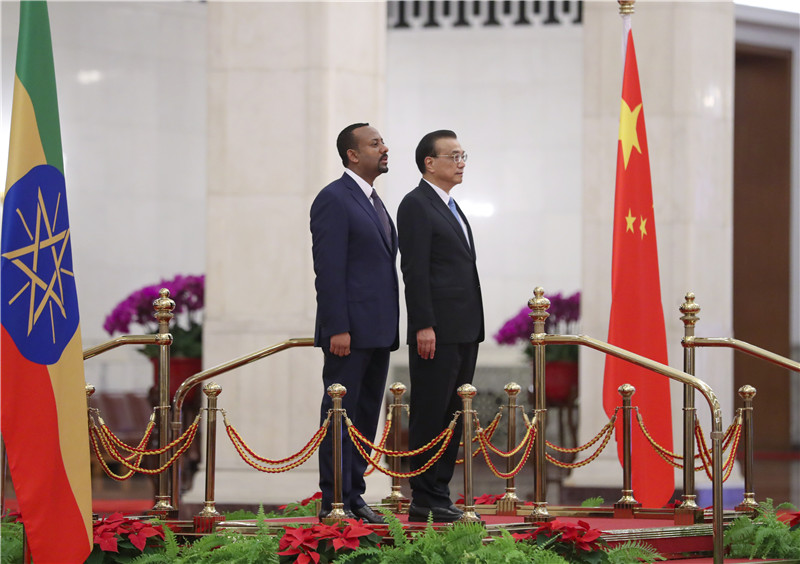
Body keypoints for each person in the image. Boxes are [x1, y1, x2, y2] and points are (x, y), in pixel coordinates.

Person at [310, 123, 399, 524]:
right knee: (340, 417)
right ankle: (335, 501)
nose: (384, 148)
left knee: (364, 418)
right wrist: (337, 327)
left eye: (382, 142)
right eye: (375, 143)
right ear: (352, 154)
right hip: (348, 333)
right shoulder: (334, 198)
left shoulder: (374, 200)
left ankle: (355, 495)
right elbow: (329, 270)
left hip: (378, 332)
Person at [397, 129, 484, 522]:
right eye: (454, 156)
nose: (461, 163)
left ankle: (439, 494)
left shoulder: (450, 205)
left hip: (463, 328)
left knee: (453, 415)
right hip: (437, 331)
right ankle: (424, 496)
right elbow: (414, 270)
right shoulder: (416, 204)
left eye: (463, 155)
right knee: (431, 412)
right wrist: (423, 325)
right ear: (429, 163)